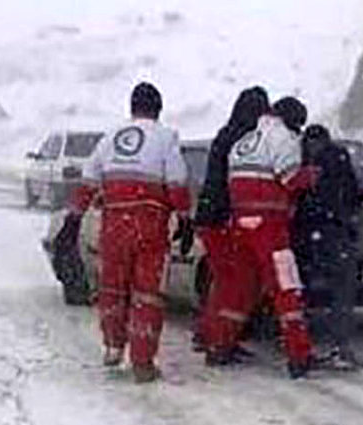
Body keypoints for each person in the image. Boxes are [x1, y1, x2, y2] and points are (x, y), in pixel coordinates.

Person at [67, 82, 191, 383]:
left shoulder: (110, 138)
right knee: (147, 293)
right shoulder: (165, 138)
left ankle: (112, 346)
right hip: (149, 224)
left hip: (114, 223)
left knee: (113, 287)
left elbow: (88, 180)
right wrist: (185, 218)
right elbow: (176, 181)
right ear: (158, 109)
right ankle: (142, 362)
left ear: (131, 108)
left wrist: (75, 216)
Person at [209, 103, 320, 379]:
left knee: (240, 289)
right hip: (269, 227)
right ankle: (299, 355)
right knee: (286, 288)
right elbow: (290, 179)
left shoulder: (244, 141)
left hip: (240, 224)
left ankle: (220, 346)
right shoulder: (284, 138)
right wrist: (313, 175)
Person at [194, 86, 270, 363]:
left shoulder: (224, 135)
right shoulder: (245, 141)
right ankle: (221, 344)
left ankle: (208, 335)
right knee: (238, 284)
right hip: (224, 218)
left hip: (209, 216)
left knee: (222, 280)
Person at [296, 124, 363, 371]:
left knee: (300, 291)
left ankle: (299, 346)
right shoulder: (339, 157)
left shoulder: (298, 159)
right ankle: (341, 346)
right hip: (336, 232)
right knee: (342, 290)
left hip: (304, 235)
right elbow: (355, 193)